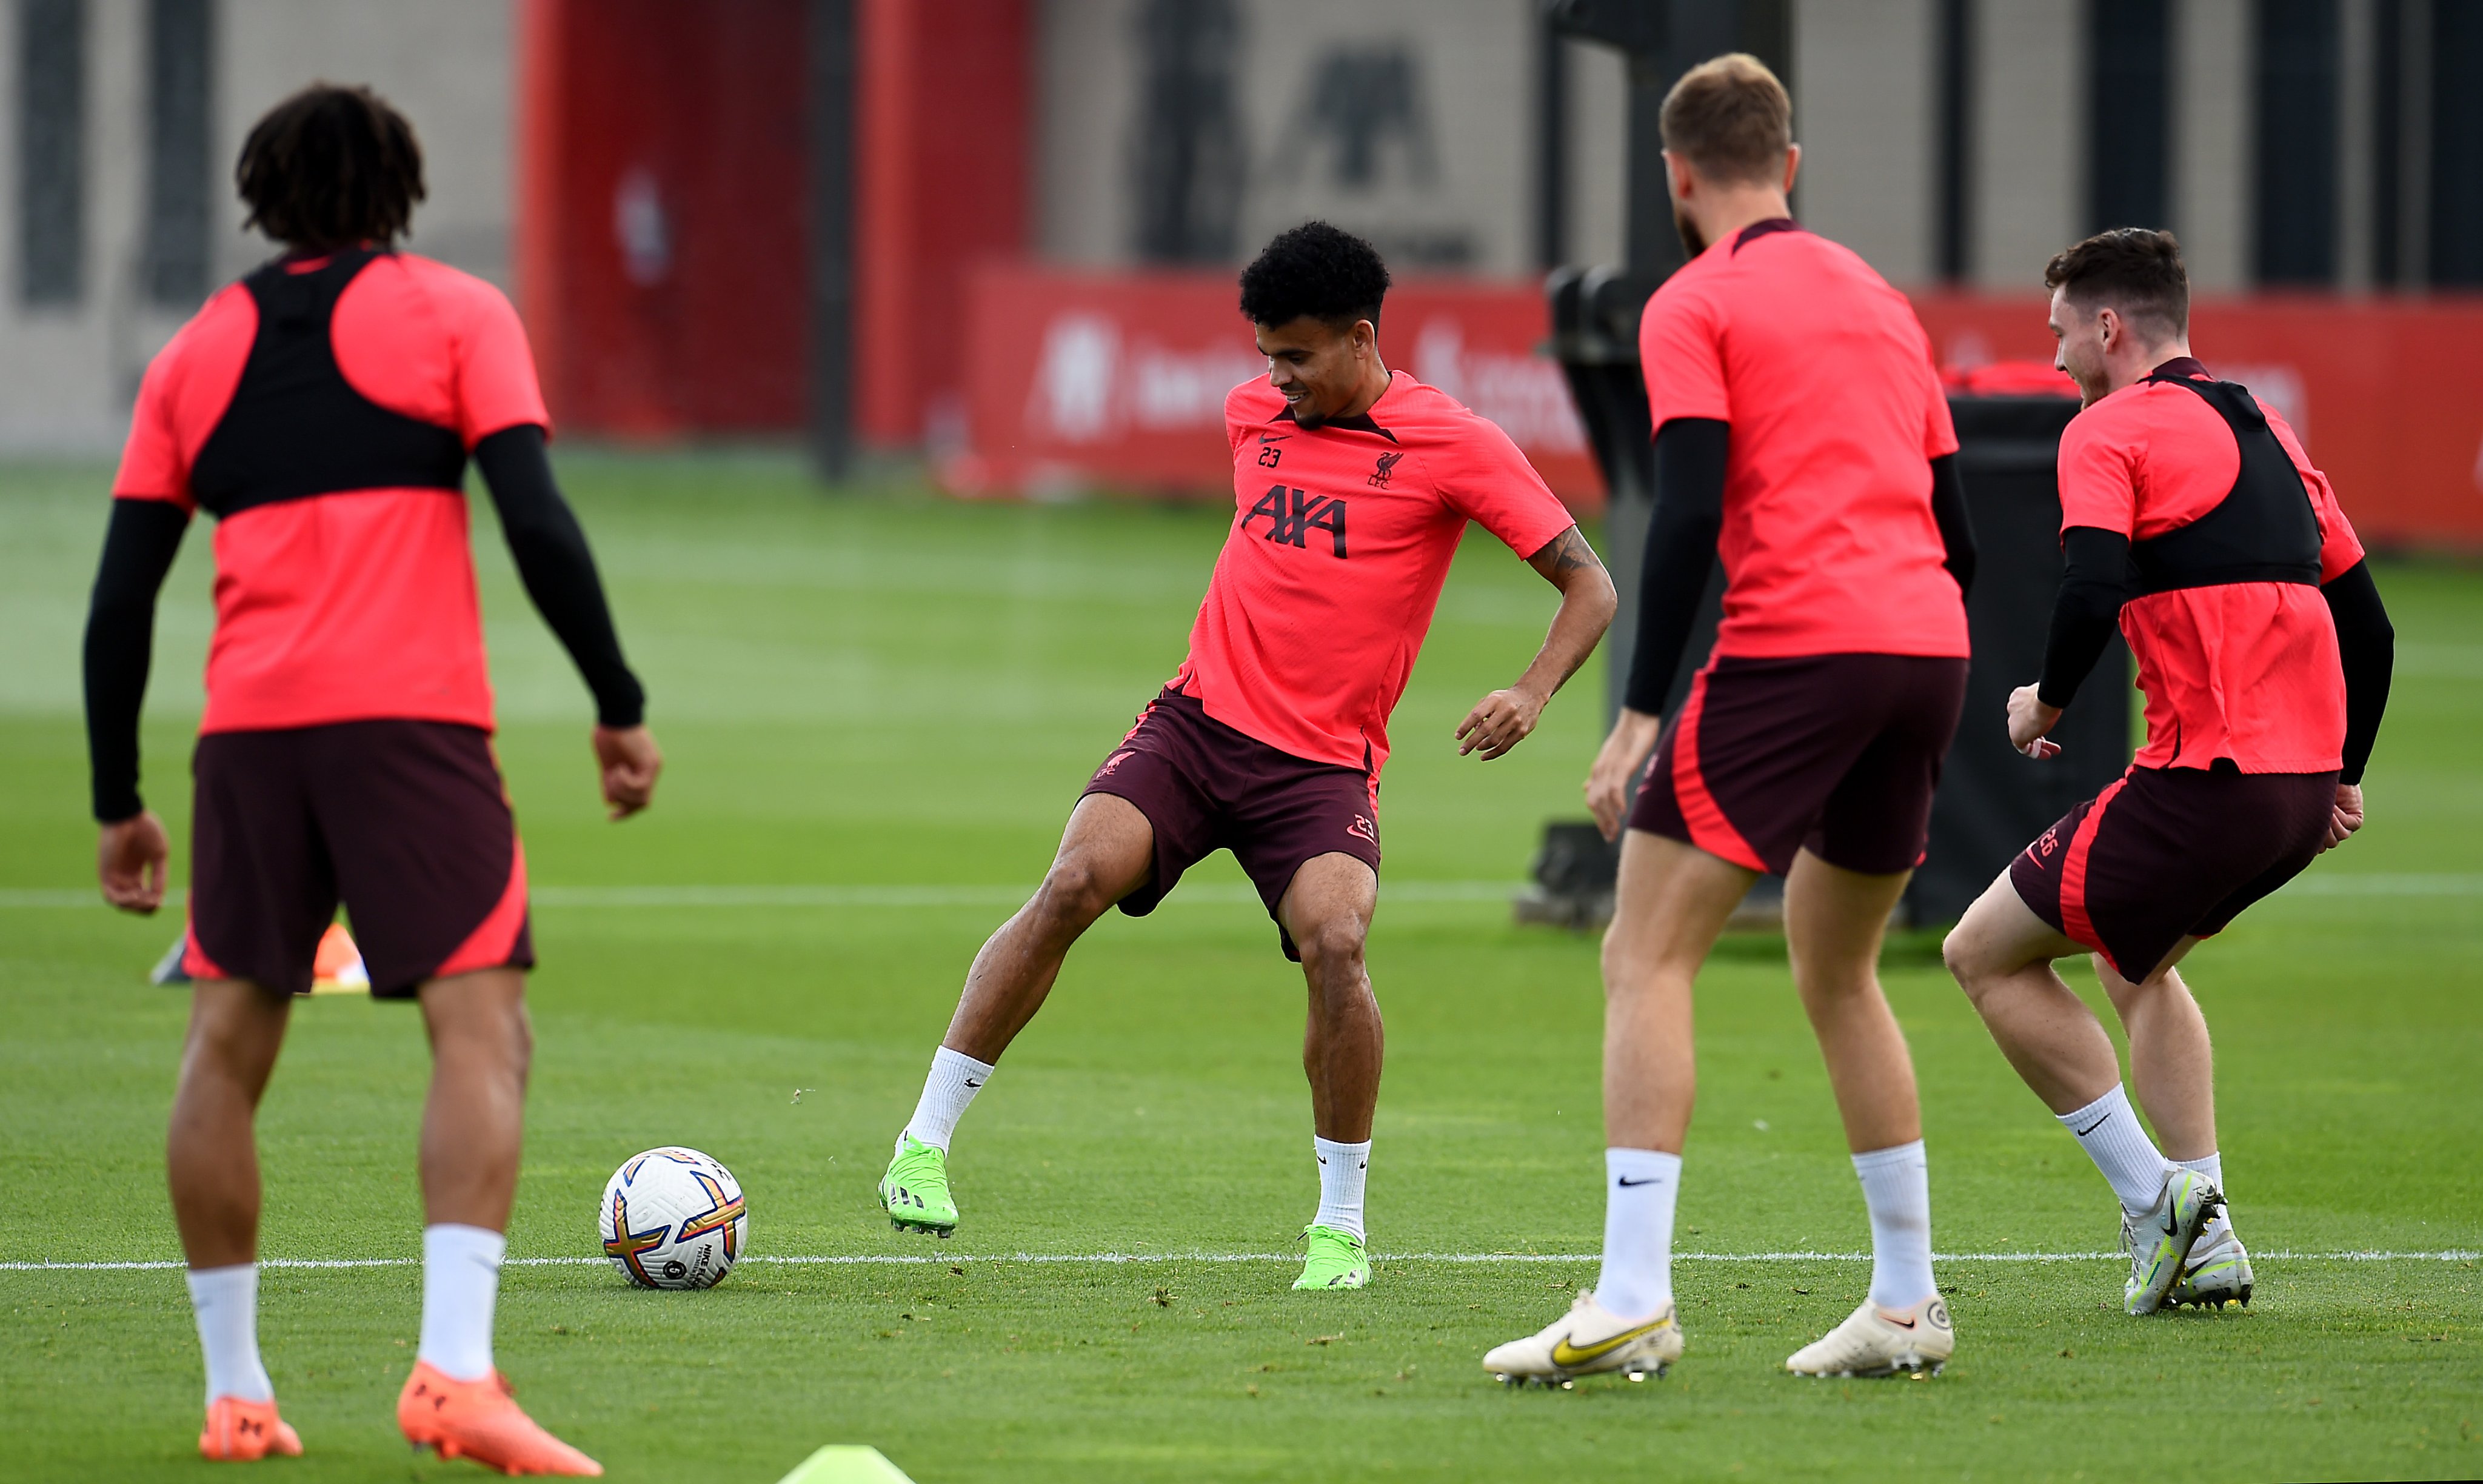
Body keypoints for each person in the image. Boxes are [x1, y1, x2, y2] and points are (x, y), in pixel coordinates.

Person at [85, 84, 658, 1473]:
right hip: (408, 728)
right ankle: (453, 1374)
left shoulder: (192, 355)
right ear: (399, 190)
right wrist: (615, 703)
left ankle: (236, 1397)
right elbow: (537, 525)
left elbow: (119, 603)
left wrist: (117, 799)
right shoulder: (459, 316)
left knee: (226, 1046)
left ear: (261, 198)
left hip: (248, 740)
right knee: (480, 1031)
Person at [875, 221, 1615, 1292]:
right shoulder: (1250, 416)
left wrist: (1531, 690)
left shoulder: (1456, 445)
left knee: (1337, 943)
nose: (1277, 379)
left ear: (1362, 338)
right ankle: (922, 1145)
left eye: (1297, 356)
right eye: (1267, 356)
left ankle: (1340, 1229)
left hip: (1318, 770)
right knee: (1073, 880)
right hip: (1194, 729)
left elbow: (1591, 584)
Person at [1485, 53, 1980, 1386]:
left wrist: (1638, 714)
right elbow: (1955, 521)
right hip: (1927, 645)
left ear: (1677, 175)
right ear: (1791, 166)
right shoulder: (1879, 299)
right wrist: (1927, 643)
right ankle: (1906, 1301)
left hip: (1801, 645)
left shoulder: (1693, 300)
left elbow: (1689, 508)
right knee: (1836, 967)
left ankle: (1632, 1297)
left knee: (1643, 954)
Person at [1941, 229, 2393, 1317]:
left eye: (2060, 334)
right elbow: (2370, 626)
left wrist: (2040, 705)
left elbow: (2092, 585)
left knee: (1981, 954)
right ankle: (2212, 1239)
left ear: (2108, 327)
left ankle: (2161, 1205)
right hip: (2295, 797)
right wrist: (2343, 775)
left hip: (2206, 780)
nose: (2055, 358)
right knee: (2132, 963)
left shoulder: (2106, 429)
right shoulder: (2267, 425)